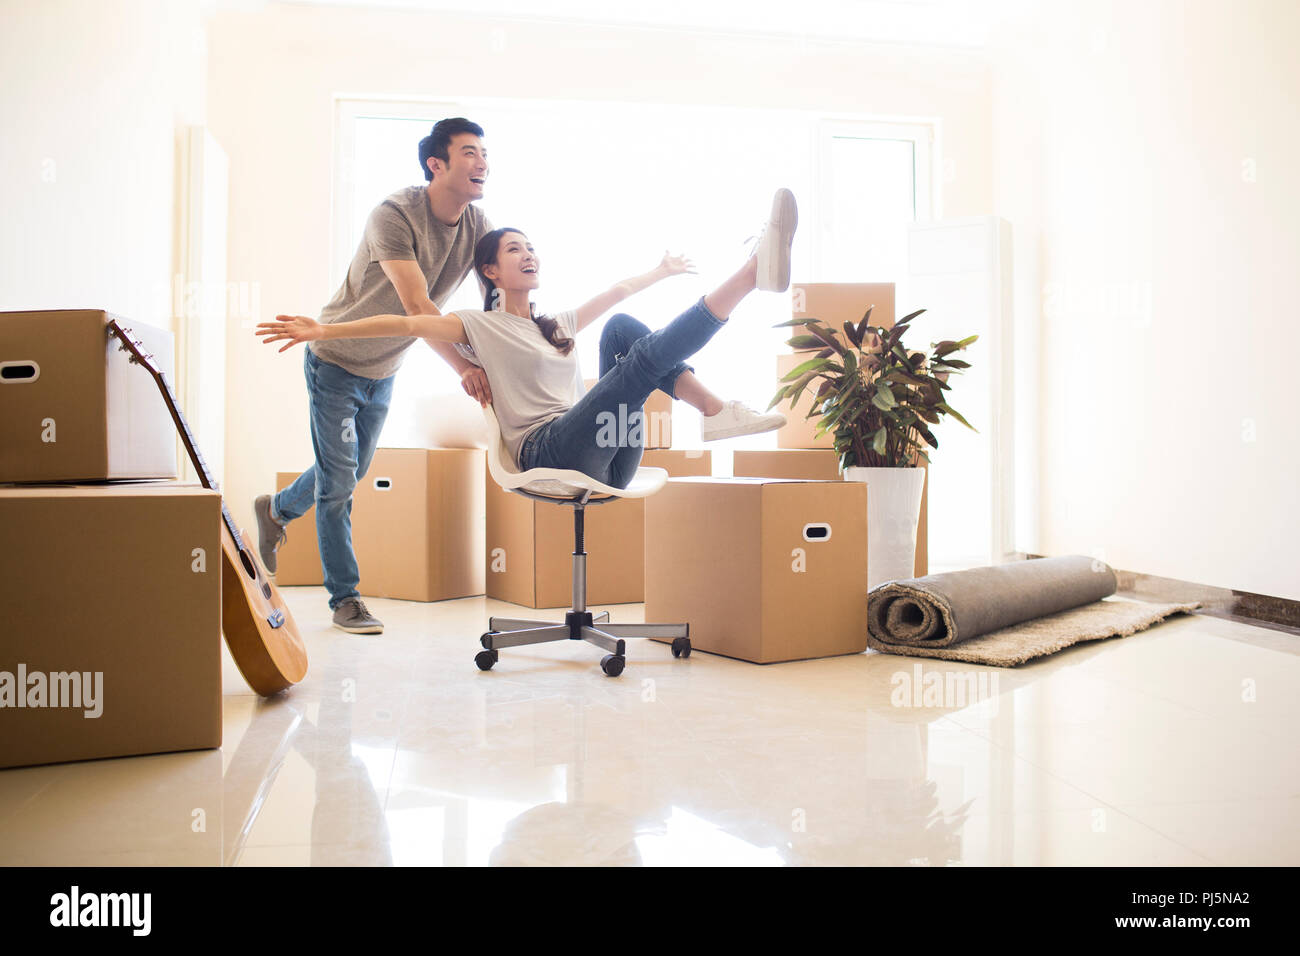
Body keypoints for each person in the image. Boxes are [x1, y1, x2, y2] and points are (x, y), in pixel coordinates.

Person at [257, 189, 799, 490]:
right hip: (548, 450)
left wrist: (659, 271)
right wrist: (325, 329)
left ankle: (711, 409)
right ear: (491, 270)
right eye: (514, 249)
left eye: (531, 246)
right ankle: (751, 274)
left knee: (622, 330)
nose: (528, 254)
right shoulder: (480, 325)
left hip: (609, 457)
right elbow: (408, 321)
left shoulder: (555, 324)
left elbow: (616, 291)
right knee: (636, 366)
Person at [253, 117, 494, 635]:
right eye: (469, 152)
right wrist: (464, 368)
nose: (482, 163)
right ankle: (345, 598)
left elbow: (492, 290)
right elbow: (416, 305)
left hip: (385, 369)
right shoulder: (394, 214)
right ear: (437, 163)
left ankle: (275, 511)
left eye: (484, 153)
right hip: (335, 363)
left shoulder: (477, 225)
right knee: (341, 483)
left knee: (350, 472)